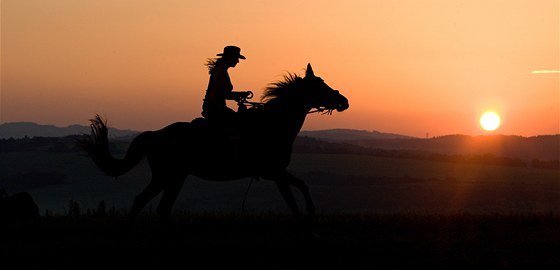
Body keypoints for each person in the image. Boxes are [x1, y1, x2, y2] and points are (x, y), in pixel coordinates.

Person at [201, 45, 250, 124]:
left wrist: (237, 95)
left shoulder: (221, 70)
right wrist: (239, 94)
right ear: (229, 57)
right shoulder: (219, 71)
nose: (238, 61)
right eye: (236, 58)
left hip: (216, 106)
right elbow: (222, 93)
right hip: (214, 108)